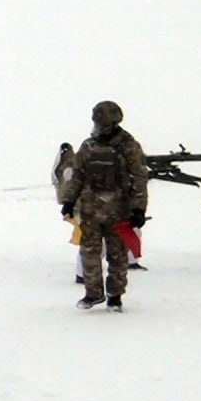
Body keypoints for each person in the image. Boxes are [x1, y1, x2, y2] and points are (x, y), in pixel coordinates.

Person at [58, 101, 149, 311]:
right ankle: (93, 294)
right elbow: (77, 175)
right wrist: (69, 201)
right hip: (90, 211)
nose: (100, 124)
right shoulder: (89, 145)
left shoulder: (128, 146)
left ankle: (115, 296)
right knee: (89, 252)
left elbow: (139, 178)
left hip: (119, 212)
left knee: (117, 255)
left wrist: (138, 209)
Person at [53, 142, 146, 283]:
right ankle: (82, 275)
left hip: (107, 209)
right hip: (87, 210)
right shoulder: (76, 171)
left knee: (132, 232)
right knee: (94, 242)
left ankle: (131, 262)